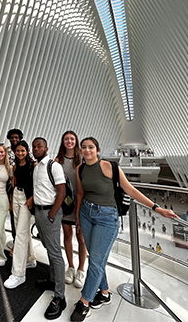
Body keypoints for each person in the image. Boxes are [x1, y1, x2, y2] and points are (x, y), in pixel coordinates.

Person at [71, 137, 177, 322]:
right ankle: (104, 293)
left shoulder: (110, 167)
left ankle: (84, 301)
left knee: (95, 261)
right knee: (96, 258)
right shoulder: (80, 169)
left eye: (91, 147)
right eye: (84, 147)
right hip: (86, 214)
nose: (87, 150)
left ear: (97, 150)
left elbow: (131, 190)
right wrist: (78, 217)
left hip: (107, 218)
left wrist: (157, 208)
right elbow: (80, 193)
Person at [30, 137, 67, 320]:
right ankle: (52, 280)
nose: (36, 149)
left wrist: (52, 214)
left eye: (39, 146)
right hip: (39, 212)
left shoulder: (54, 166)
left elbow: (62, 191)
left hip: (50, 213)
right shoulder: (37, 167)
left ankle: (60, 296)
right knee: (48, 247)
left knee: (55, 253)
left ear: (46, 148)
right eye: (34, 147)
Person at [54, 131, 87, 289]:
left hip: (81, 204)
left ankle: (81, 269)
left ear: (76, 141)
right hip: (66, 204)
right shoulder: (58, 160)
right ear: (63, 141)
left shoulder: (82, 159)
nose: (69, 141)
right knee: (67, 235)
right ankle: (71, 267)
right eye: (66, 139)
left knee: (81, 238)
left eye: (72, 139)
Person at [4, 141, 37, 289]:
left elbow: (37, 184)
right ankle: (30, 259)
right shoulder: (15, 166)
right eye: (18, 151)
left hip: (26, 199)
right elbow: (13, 183)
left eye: (23, 151)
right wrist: (11, 201)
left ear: (27, 150)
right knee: (20, 230)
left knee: (21, 235)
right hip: (16, 196)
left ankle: (18, 273)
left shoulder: (33, 166)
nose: (20, 153)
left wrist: (32, 199)